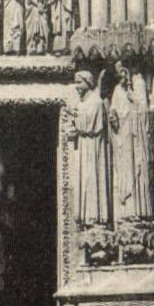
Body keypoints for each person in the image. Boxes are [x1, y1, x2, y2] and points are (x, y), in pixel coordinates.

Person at [64, 68, 110, 228]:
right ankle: (85, 216)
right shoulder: (83, 101)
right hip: (83, 146)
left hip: (92, 147)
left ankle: (92, 216)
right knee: (84, 178)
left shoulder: (95, 101)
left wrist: (74, 115)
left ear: (88, 82)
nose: (76, 86)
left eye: (79, 82)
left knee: (91, 178)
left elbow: (88, 126)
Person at [109, 58, 153, 221]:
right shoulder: (117, 89)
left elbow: (144, 109)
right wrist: (112, 116)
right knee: (124, 169)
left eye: (121, 70)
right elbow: (113, 108)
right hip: (122, 134)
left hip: (135, 135)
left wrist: (132, 96)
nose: (119, 74)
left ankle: (138, 210)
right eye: (117, 71)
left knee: (136, 167)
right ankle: (125, 208)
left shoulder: (139, 83)